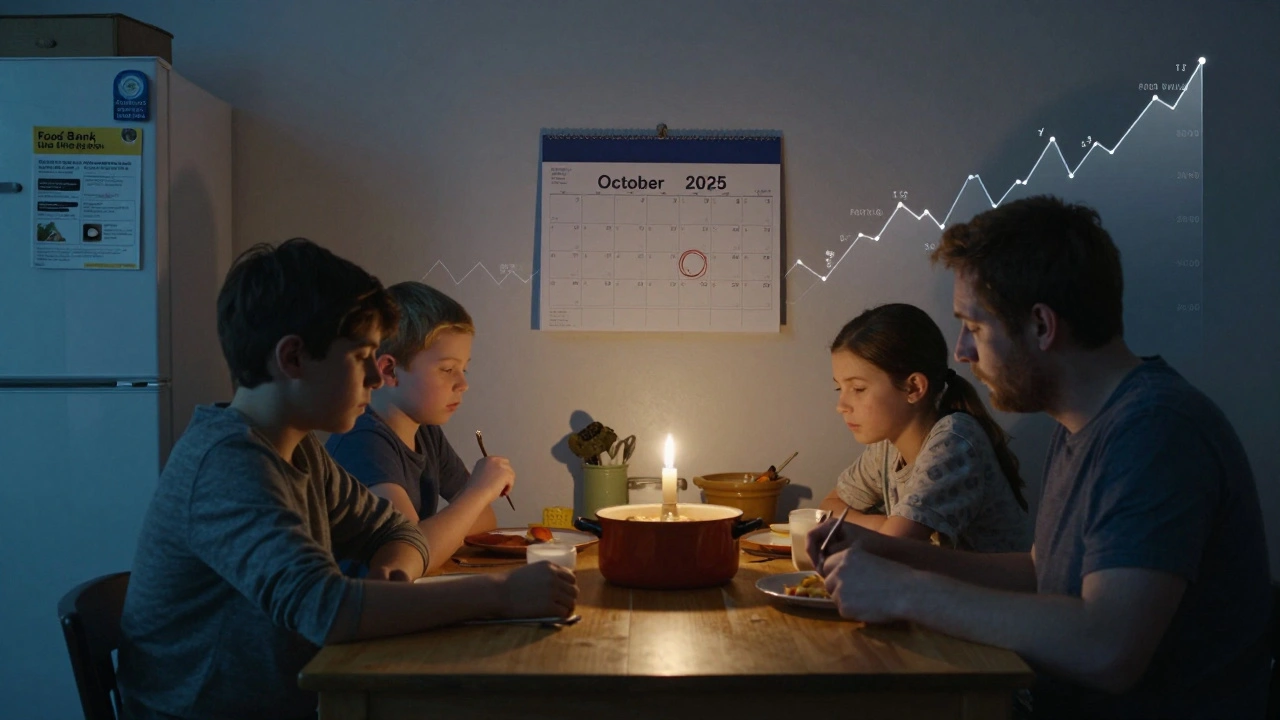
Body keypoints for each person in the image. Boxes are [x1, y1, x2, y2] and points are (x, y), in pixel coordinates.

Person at [809, 196, 1271, 719]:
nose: (961, 352)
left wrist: (907, 592)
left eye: (974, 327)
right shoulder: (1081, 424)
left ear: (1042, 326)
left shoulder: (1156, 431)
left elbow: (1107, 648)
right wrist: (888, 552)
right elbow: (1039, 573)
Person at [116, 239, 577, 720]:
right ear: (293, 358)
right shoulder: (228, 464)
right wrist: (500, 593)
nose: (376, 379)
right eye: (361, 358)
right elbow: (326, 610)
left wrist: (392, 574)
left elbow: (396, 531)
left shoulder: (300, 449)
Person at [327, 281, 510, 573]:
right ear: (389, 370)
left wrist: (443, 529)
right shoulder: (364, 442)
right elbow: (407, 556)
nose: (463, 383)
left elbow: (485, 520)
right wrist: (478, 491)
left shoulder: (426, 432)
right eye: (448, 369)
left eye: (464, 368)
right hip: (365, 599)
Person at [818, 303, 1030, 552]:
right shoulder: (886, 447)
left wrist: (883, 530)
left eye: (858, 389)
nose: (841, 406)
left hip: (990, 579)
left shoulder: (954, 441)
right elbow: (828, 507)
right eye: (839, 388)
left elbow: (894, 545)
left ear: (914, 388)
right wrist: (881, 524)